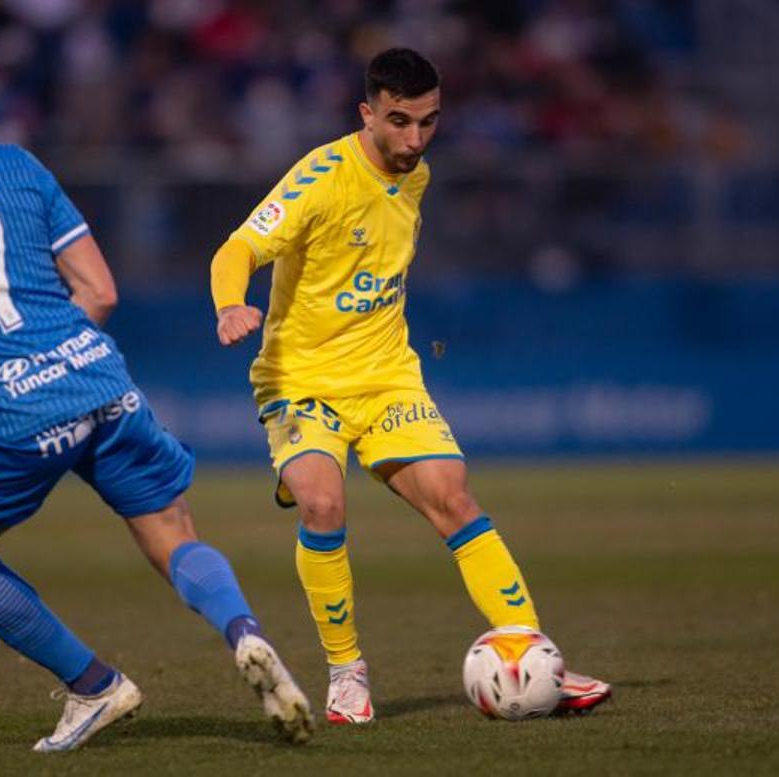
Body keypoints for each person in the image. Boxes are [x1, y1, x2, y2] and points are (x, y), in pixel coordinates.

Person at [0, 31, 312, 752]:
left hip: (13, 410)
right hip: (99, 377)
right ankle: (243, 629)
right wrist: (58, 353)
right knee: (173, 531)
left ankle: (95, 686)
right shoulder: (19, 166)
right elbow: (101, 290)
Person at [209, 47, 611, 724]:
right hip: (301, 379)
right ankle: (347, 673)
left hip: (387, 375)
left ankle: (535, 656)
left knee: (453, 495)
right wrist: (229, 303)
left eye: (428, 122)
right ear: (367, 112)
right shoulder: (321, 176)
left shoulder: (414, 173)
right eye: (399, 122)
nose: (414, 139)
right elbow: (238, 248)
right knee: (321, 501)